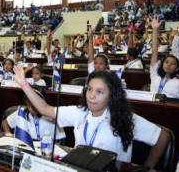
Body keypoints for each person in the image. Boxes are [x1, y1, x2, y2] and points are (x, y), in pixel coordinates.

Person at [13, 66, 169, 167]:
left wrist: (147, 168)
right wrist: (24, 85)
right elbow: (45, 109)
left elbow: (162, 136)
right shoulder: (79, 112)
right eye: (89, 90)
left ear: (112, 95)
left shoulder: (125, 117)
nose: (92, 96)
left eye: (99, 92)